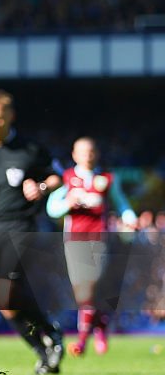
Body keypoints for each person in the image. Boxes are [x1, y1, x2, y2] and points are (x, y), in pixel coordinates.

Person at [0, 89, 63, 375]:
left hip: (20, 226)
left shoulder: (30, 150)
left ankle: (51, 335)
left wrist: (41, 187)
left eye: (0, 118)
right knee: (4, 302)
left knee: (6, 288)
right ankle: (44, 348)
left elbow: (57, 175)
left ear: (10, 117)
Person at [46, 137, 136, 356]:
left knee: (92, 287)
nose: (88, 155)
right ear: (75, 155)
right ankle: (101, 326)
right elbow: (52, 208)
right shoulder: (67, 179)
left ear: (97, 154)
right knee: (82, 291)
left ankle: (82, 340)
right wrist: (68, 204)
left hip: (99, 239)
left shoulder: (106, 179)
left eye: (91, 151)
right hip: (74, 240)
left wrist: (130, 217)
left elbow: (121, 202)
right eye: (83, 152)